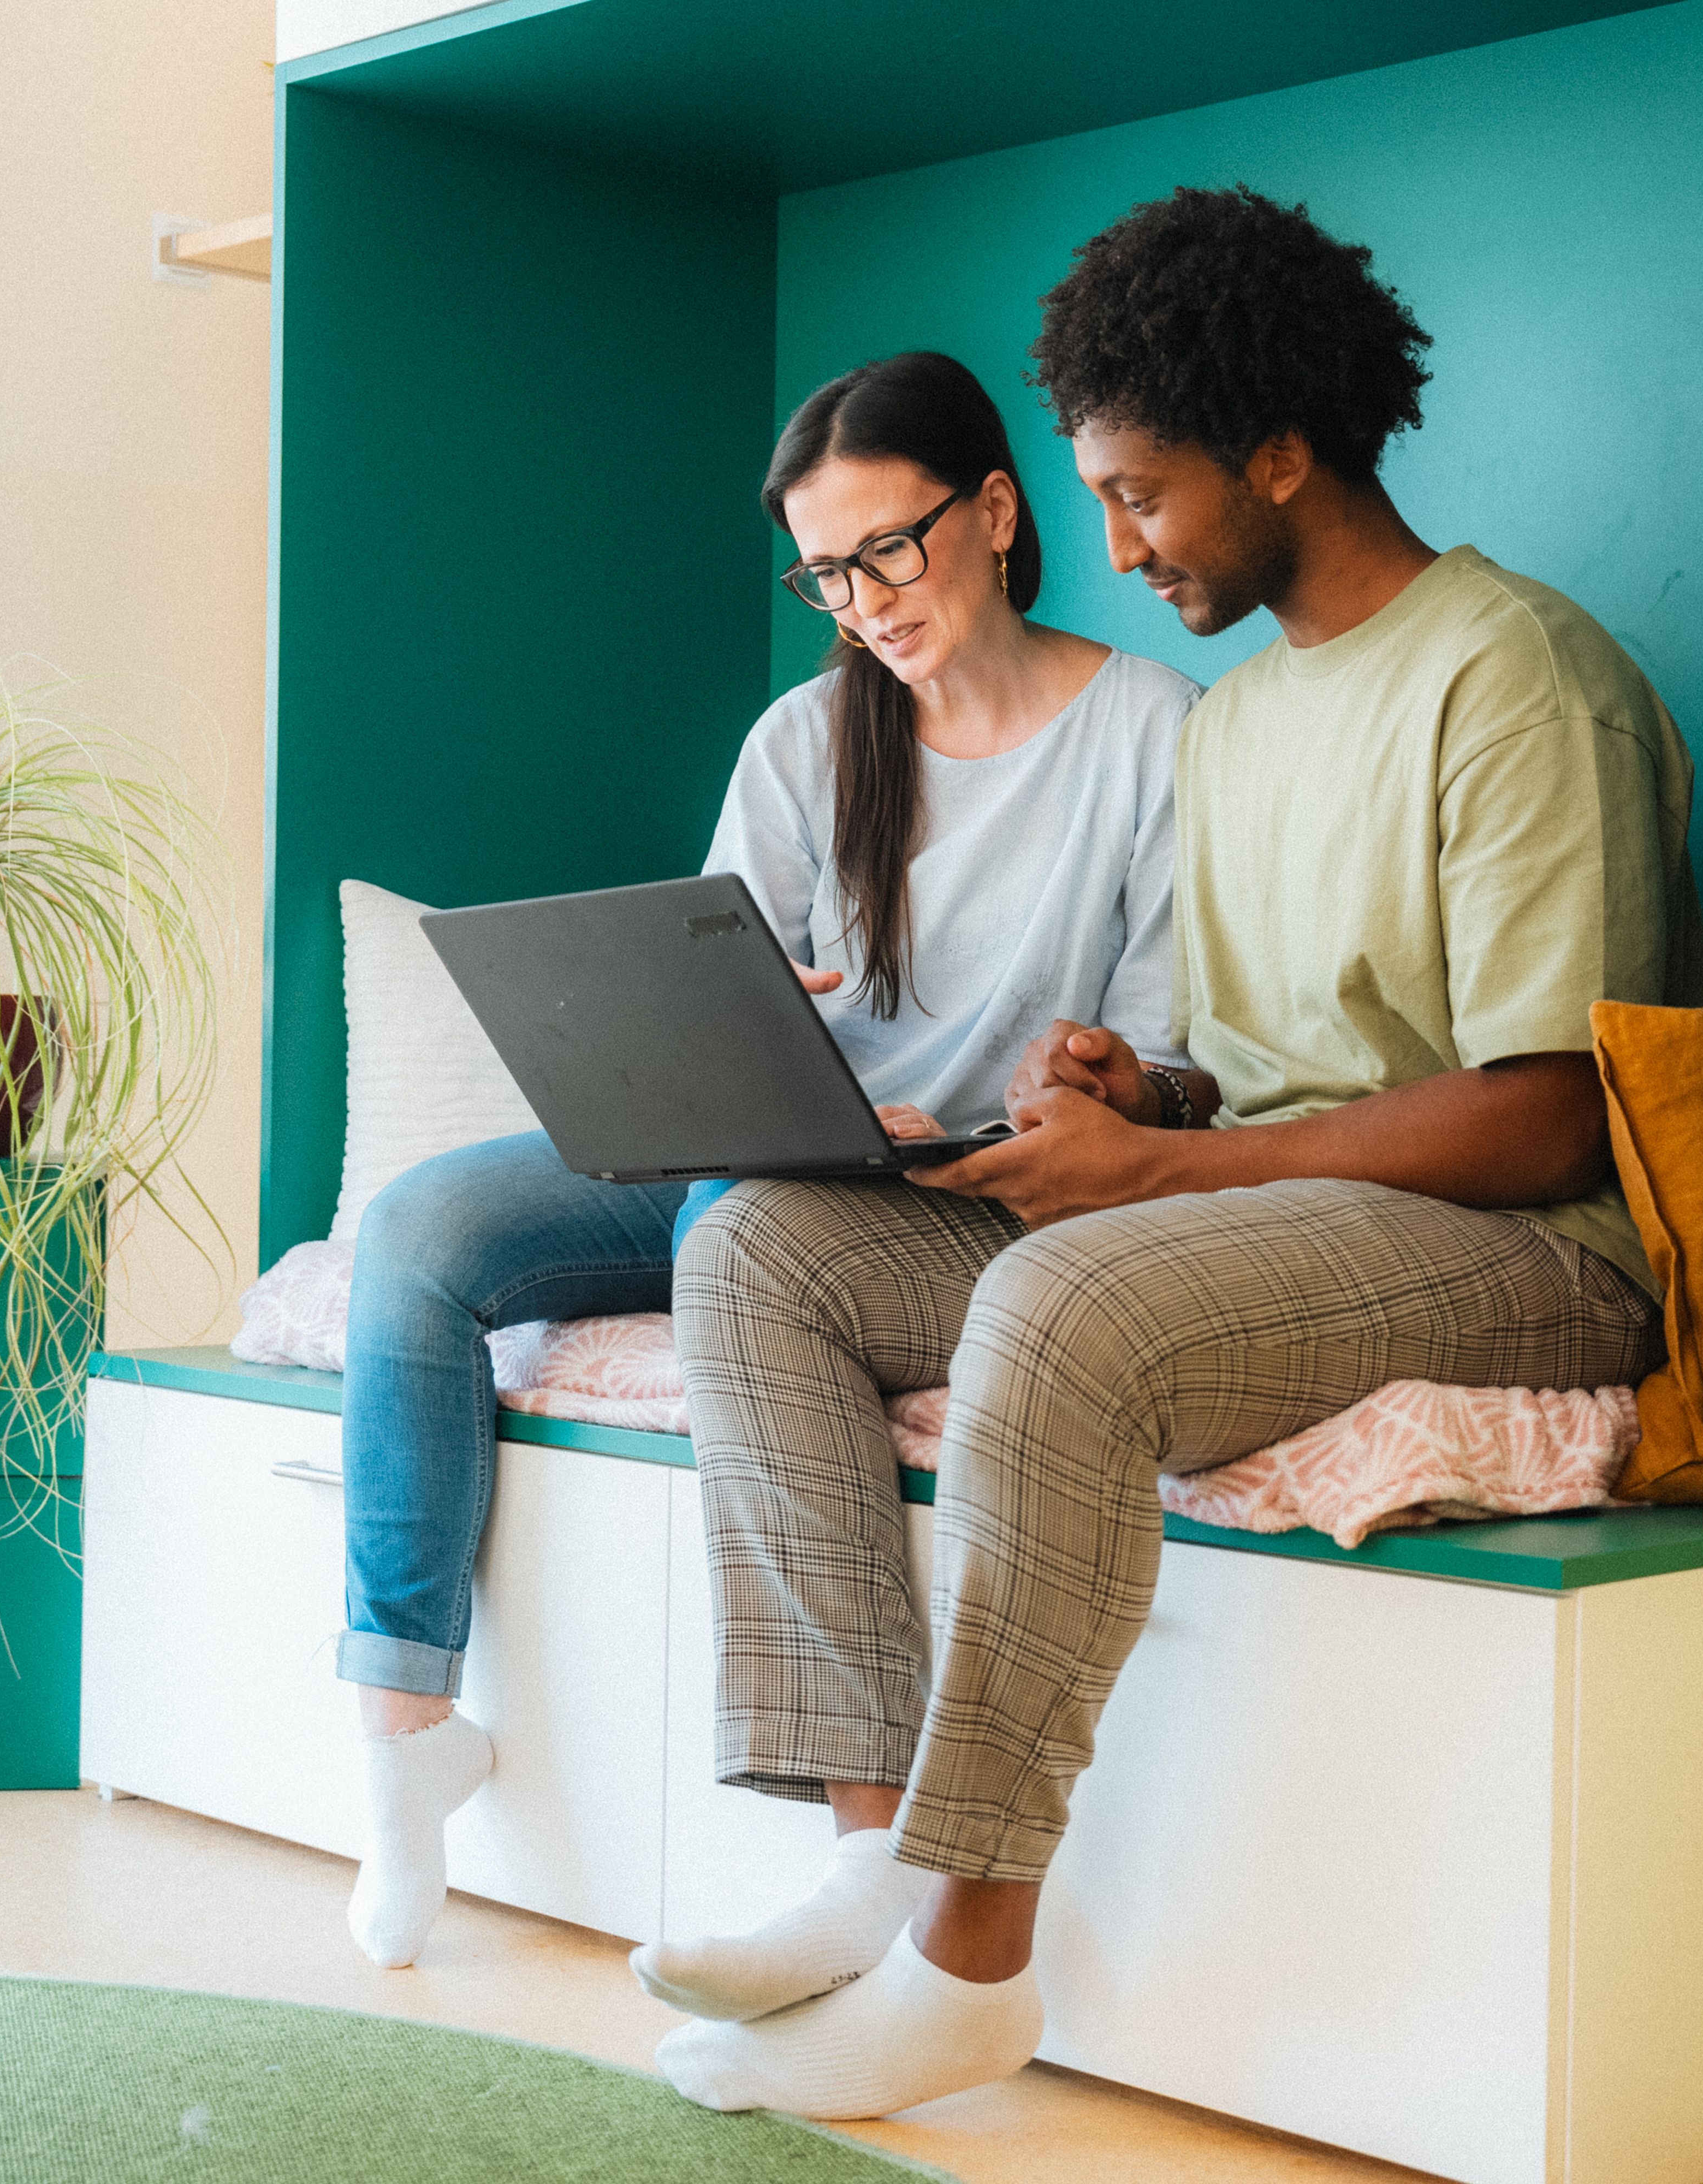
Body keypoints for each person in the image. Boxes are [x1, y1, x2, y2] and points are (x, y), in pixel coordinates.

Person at [650, 186, 1703, 2116]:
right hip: (1285, 1214)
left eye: (1143, 496)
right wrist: (1143, 1098)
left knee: (1061, 1303)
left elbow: (1549, 1110)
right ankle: (861, 1856)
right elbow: (1255, 1072)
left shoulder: (1515, 676)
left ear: (1282, 454)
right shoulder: (1238, 730)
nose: (1117, 548)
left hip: (1532, 1249)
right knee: (755, 1251)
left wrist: (1158, 1176)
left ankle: (972, 1966)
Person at [335, 351, 1198, 1969]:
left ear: (998, 513)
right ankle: (401, 1739)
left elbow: (1164, 1057)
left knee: (749, 1233)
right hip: (765, 1151)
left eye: (890, 548)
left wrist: (1090, 1080)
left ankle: (865, 1849)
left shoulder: (1148, 730)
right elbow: (725, 1008)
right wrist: (734, 1024)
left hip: (947, 1197)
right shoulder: (808, 742)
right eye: (826, 572)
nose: (863, 600)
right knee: (418, 1229)